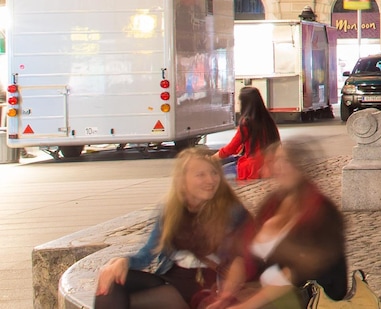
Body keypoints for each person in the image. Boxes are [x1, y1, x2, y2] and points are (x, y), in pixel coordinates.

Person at [94, 148, 247, 309]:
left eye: (214, 173)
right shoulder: (170, 210)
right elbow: (146, 254)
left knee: (123, 299)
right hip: (172, 279)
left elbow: (245, 257)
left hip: (207, 286)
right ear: (182, 180)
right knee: (112, 281)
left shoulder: (232, 210)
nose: (210, 180)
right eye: (201, 175)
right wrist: (123, 262)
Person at [214, 141, 347, 308]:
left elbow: (293, 273)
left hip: (309, 297)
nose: (280, 166)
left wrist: (247, 305)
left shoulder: (320, 211)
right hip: (270, 292)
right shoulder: (271, 204)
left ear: (302, 166)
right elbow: (246, 254)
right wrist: (227, 295)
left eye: (287, 161)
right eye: (277, 160)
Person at [218, 87, 281, 181]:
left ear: (245, 103)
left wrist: (211, 159)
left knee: (218, 172)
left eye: (239, 102)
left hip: (252, 168)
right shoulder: (268, 120)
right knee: (231, 159)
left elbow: (230, 149)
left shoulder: (247, 123)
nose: (238, 104)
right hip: (269, 165)